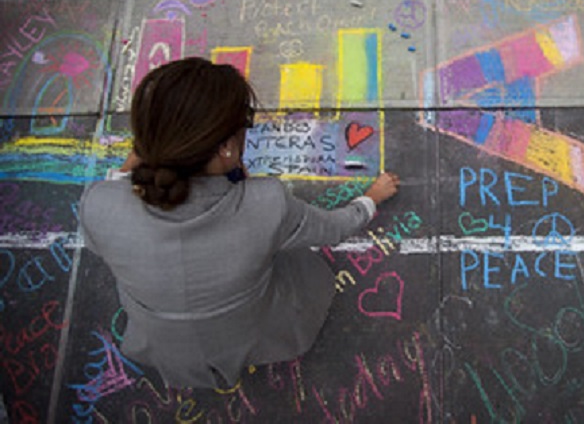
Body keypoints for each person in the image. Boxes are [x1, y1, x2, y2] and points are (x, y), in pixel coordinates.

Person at [79, 57, 399, 388]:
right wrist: (371, 198)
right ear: (227, 148)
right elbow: (333, 228)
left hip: (159, 341)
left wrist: (122, 174)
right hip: (249, 327)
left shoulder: (99, 204)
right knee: (299, 267)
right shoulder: (266, 204)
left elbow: (102, 238)